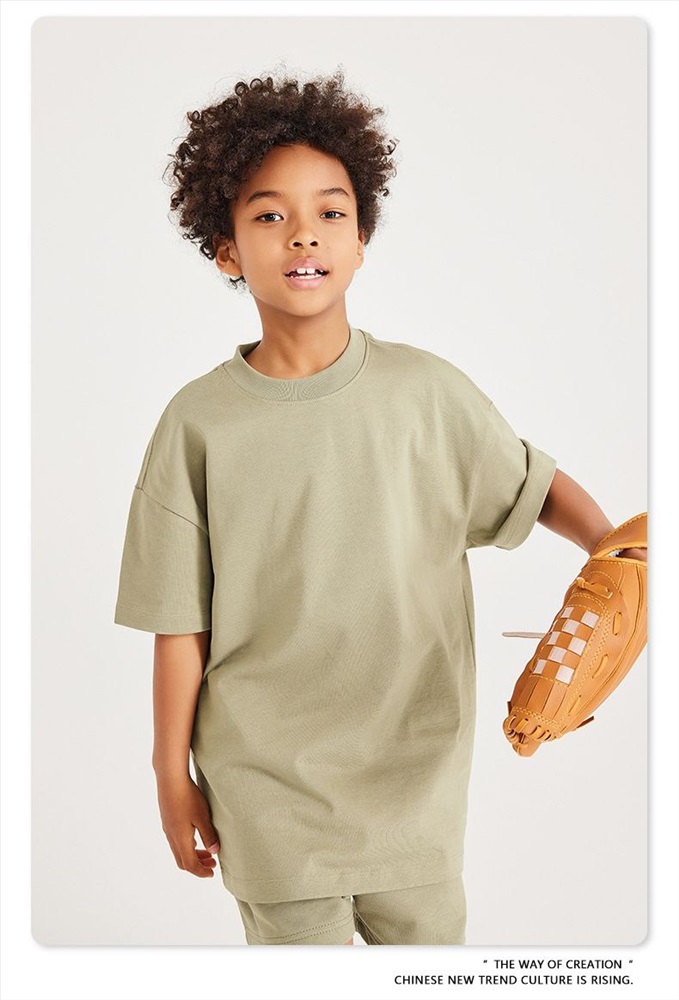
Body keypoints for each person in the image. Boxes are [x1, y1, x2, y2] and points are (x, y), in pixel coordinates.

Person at [114, 69, 646, 946]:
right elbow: (180, 625)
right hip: (266, 786)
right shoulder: (196, 423)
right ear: (224, 249)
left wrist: (615, 554)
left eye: (330, 212)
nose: (303, 234)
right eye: (268, 216)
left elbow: (530, 482)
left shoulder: (426, 393)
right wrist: (170, 776)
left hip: (416, 775)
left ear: (360, 239)